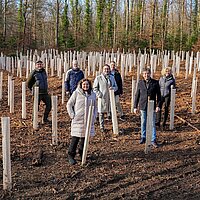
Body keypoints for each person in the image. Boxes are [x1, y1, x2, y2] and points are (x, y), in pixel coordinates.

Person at [67, 79, 97, 165]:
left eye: (87, 85)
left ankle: (82, 154)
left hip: (88, 120)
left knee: (85, 139)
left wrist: (94, 117)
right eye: (84, 85)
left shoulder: (93, 95)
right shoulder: (76, 93)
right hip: (78, 120)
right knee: (75, 138)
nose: (85, 86)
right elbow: (69, 104)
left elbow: (95, 107)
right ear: (81, 85)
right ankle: (71, 155)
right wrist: (72, 115)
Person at [134, 68, 161, 148]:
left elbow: (159, 96)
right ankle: (143, 137)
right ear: (143, 75)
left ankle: (153, 139)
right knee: (143, 122)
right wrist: (135, 106)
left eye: (148, 73)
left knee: (152, 123)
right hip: (143, 105)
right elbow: (137, 95)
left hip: (152, 106)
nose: (146, 75)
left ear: (150, 74)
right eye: (145, 74)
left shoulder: (155, 83)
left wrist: (158, 106)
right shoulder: (140, 83)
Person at [93, 64, 118, 132]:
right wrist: (99, 95)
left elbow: (116, 87)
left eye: (108, 69)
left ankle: (114, 127)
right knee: (101, 113)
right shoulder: (98, 78)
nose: (106, 70)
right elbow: (95, 88)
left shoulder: (112, 78)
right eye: (105, 69)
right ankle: (102, 127)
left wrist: (113, 88)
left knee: (111, 112)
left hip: (110, 98)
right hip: (102, 98)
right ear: (103, 70)